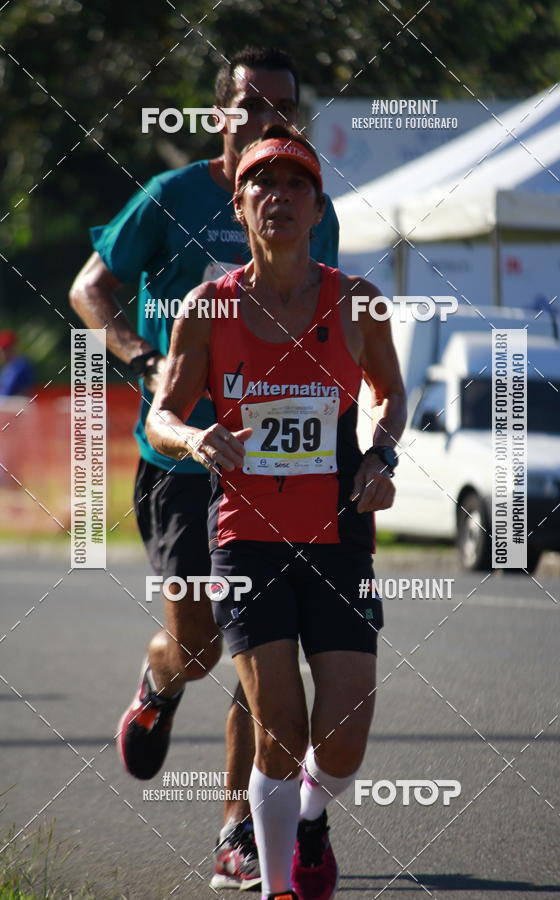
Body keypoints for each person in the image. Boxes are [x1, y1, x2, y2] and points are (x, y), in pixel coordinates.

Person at [69, 47, 340, 890]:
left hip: (274, 462)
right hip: (181, 457)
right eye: (251, 103)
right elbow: (89, 288)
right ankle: (160, 681)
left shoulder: (311, 203)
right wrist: (142, 356)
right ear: (219, 114)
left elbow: (327, 311)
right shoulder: (172, 195)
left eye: (283, 105)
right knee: (198, 647)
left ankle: (238, 830)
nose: (268, 118)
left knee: (264, 646)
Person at [145, 127, 406, 900]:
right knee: (281, 732)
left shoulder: (357, 303)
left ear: (318, 210)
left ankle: (314, 820)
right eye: (264, 184)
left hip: (338, 535)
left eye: (298, 186)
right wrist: (195, 438)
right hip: (246, 540)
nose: (281, 198)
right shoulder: (208, 308)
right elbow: (161, 414)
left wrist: (380, 456)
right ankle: (278, 885)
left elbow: (390, 394)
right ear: (240, 206)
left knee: (345, 737)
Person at [0, 330, 35, 397]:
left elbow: (8, 391)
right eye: (3, 349)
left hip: (19, 401)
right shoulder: (8, 367)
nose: (3, 352)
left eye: (6, 349)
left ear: (14, 348)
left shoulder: (21, 366)